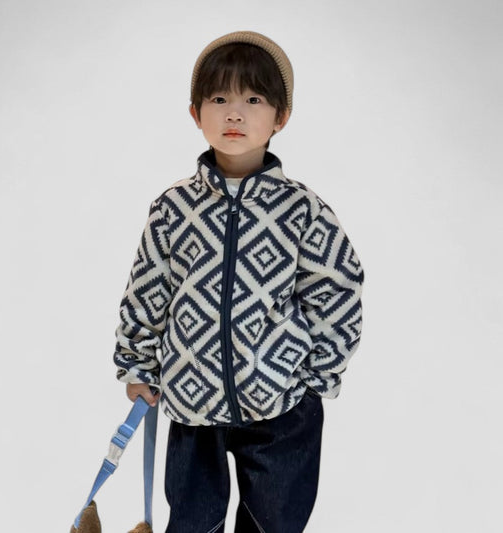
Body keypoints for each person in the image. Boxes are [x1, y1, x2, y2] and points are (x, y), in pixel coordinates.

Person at [113, 30, 364, 533]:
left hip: (281, 406)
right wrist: (138, 364)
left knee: (274, 522)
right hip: (192, 404)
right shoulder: (173, 209)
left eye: (253, 100)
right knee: (192, 521)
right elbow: (147, 290)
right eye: (219, 99)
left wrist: (317, 377)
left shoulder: (302, 210)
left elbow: (338, 291)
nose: (234, 114)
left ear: (280, 117)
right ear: (195, 113)